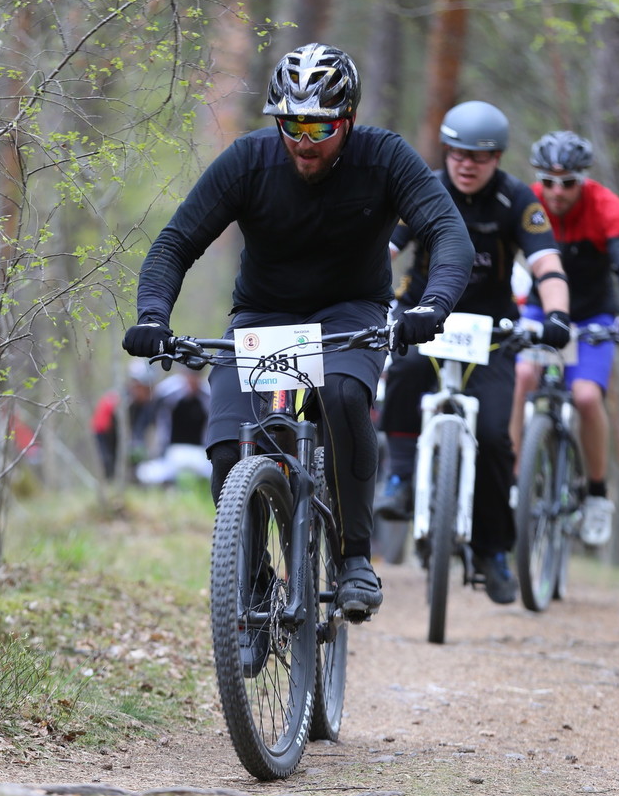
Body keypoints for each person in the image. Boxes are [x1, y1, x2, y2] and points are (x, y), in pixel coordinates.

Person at [122, 42, 475, 620]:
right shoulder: (249, 161)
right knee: (229, 445)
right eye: (291, 126)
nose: (303, 143)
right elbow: (175, 243)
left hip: (351, 313)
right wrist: (153, 317)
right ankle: (254, 579)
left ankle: (356, 556)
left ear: (349, 120)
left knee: (341, 394)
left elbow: (447, 231)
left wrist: (431, 306)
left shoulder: (383, 157)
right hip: (264, 317)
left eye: (319, 128)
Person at [375, 101, 571, 604]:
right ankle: (398, 475)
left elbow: (546, 264)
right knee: (406, 371)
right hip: (424, 319)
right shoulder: (422, 187)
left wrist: (557, 316)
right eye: (458, 152)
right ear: (446, 151)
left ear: (499, 158)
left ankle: (493, 550)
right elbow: (386, 250)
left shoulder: (516, 199)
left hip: (493, 332)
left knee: (493, 438)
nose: (466, 163)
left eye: (479, 157)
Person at [510, 130, 619, 548]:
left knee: (587, 396)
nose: (556, 191)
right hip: (541, 310)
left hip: (593, 316)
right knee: (523, 377)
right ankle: (516, 480)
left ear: (582, 180)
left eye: (567, 182)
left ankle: (596, 495)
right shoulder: (526, 201)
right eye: (548, 181)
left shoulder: (605, 205)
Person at [135, 369, 212, 486]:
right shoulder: (168, 395)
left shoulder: (208, 396)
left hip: (200, 454)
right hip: (173, 452)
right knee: (144, 472)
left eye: (195, 376)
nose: (192, 380)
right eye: (189, 376)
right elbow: (151, 417)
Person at [91, 358, 156, 479]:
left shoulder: (148, 405)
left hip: (131, 445)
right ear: (135, 384)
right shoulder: (113, 402)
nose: (149, 393)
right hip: (109, 440)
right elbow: (100, 430)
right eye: (146, 387)